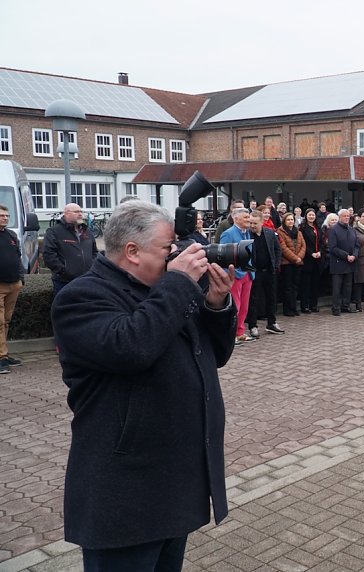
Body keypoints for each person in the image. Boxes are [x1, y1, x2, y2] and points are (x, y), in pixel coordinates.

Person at [52, 200, 236, 571]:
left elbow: (211, 355)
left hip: (171, 482)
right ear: (132, 252)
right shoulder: (81, 297)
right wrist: (179, 284)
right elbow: (131, 348)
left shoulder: (162, 290)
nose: (176, 256)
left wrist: (216, 305)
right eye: (167, 248)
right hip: (125, 494)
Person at [43, 203, 98, 294]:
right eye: (76, 212)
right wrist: (64, 271)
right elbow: (48, 255)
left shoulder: (87, 231)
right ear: (66, 213)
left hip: (87, 280)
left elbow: (94, 252)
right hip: (64, 282)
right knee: (66, 308)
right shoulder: (54, 232)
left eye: (81, 211)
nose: (80, 214)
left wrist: (91, 267)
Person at [220, 207, 255, 343]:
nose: (248, 220)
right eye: (245, 217)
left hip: (248, 274)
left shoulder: (247, 233)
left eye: (248, 217)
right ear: (235, 218)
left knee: (245, 306)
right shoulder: (228, 234)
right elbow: (223, 255)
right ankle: (231, 335)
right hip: (235, 275)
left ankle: (240, 332)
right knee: (235, 305)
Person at [247, 210, 284, 336]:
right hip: (254, 272)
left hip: (269, 271)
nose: (252, 226)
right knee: (254, 299)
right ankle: (252, 325)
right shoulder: (247, 235)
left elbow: (277, 249)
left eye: (255, 223)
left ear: (262, 223)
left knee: (271, 298)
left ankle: (271, 323)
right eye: (250, 223)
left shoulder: (269, 233)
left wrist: (276, 265)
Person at [0, 204, 24, 374]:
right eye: (1, 215)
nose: (5, 218)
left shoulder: (11, 235)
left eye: (7, 216)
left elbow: (18, 256)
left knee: (6, 321)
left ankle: (3, 354)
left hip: (14, 284)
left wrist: (21, 279)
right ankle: (1, 357)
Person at [327, 209, 359, 315]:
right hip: (338, 263)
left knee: (348, 287)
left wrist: (354, 255)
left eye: (348, 216)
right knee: (337, 288)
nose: (346, 218)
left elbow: (356, 245)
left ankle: (345, 306)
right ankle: (336, 308)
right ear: (339, 217)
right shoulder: (333, 230)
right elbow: (333, 248)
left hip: (350, 263)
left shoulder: (352, 230)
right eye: (344, 216)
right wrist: (346, 256)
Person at [276, 212, 305, 318]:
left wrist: (299, 258)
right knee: (287, 287)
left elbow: (303, 245)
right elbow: (283, 248)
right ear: (284, 221)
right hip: (286, 263)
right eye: (288, 220)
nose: (290, 221)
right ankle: (287, 309)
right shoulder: (280, 232)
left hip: (298, 263)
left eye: (292, 219)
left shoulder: (298, 232)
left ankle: (294, 308)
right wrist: (294, 258)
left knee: (295, 286)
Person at [298, 209, 323, 313]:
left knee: (315, 284)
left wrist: (320, 252)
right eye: (309, 215)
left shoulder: (318, 228)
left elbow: (321, 242)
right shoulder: (302, 229)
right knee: (306, 284)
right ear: (306, 216)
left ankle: (314, 305)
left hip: (317, 259)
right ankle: (305, 306)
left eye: (313, 215)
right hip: (307, 259)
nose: (312, 217)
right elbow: (302, 244)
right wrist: (311, 253)